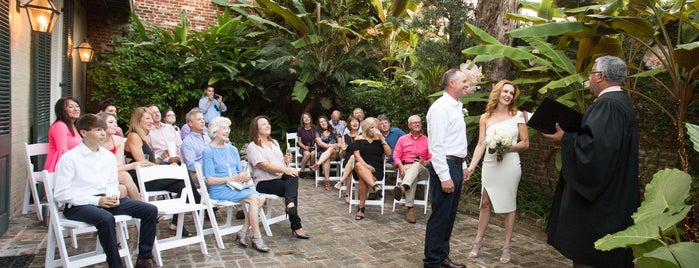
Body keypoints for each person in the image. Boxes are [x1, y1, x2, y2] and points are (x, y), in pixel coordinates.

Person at [542, 55, 638, 268]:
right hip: (614, 197)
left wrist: (564, 138)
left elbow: (595, 153)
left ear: (601, 76)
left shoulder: (608, 105)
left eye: (591, 73)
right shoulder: (620, 102)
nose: (589, 79)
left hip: (601, 209)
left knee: (592, 260)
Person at [54, 113, 160, 268]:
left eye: (104, 129)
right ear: (84, 132)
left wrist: (113, 195)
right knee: (105, 218)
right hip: (79, 205)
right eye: (98, 130)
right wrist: (97, 201)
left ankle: (144, 258)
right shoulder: (70, 158)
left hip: (105, 200)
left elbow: (111, 183)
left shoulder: (107, 157)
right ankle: (115, 264)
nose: (103, 133)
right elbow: (61, 194)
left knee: (149, 210)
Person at [465, 80, 529, 264]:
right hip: (490, 164)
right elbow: (480, 144)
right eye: (505, 91)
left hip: (510, 165)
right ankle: (478, 242)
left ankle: (507, 246)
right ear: (498, 93)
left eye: (511, 92)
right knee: (485, 203)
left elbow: (525, 143)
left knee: (509, 204)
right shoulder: (485, 117)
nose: (508, 95)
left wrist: (507, 148)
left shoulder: (519, 116)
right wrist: (471, 167)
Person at [423, 67, 480, 268]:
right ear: (452, 84)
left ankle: (442, 257)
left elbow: (456, 141)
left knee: (449, 215)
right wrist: (445, 176)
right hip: (444, 166)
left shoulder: (456, 107)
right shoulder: (440, 108)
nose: (467, 84)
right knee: (440, 216)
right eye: (464, 81)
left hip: (455, 165)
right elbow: (436, 145)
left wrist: (463, 165)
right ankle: (431, 262)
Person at [124, 107, 201, 237]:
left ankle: (176, 222)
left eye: (151, 118)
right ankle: (197, 201)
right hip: (140, 179)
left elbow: (151, 161)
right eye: (147, 118)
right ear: (138, 120)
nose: (151, 120)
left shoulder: (146, 137)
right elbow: (142, 162)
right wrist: (165, 168)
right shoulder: (134, 136)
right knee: (184, 175)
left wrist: (161, 158)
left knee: (185, 186)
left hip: (151, 175)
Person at [201, 117, 269, 252]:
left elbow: (240, 171)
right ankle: (256, 236)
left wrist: (245, 176)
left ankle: (243, 231)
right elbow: (210, 180)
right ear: (215, 131)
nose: (227, 131)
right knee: (255, 198)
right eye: (224, 128)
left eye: (228, 128)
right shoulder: (208, 151)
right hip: (220, 189)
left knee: (261, 198)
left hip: (236, 187)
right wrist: (230, 179)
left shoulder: (232, 149)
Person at [246, 115, 310, 239]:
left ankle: (290, 204)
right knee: (289, 188)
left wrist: (285, 161)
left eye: (268, 123)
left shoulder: (274, 142)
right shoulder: (252, 147)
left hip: (279, 176)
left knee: (293, 175)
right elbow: (264, 165)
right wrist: (285, 169)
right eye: (263, 124)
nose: (267, 125)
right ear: (256, 128)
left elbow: (279, 162)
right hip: (264, 182)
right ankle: (296, 225)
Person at [97, 112, 152, 200]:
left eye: (115, 122)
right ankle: (141, 206)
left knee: (123, 187)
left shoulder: (118, 140)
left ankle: (139, 207)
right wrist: (131, 166)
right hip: (97, 174)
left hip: (112, 174)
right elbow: (99, 168)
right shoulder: (95, 141)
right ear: (100, 124)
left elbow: (118, 166)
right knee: (125, 176)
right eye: (111, 122)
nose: (115, 125)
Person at [392, 115, 431, 224]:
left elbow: (432, 158)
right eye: (415, 122)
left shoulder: (427, 140)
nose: (417, 124)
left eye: (419, 122)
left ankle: (403, 188)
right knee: (411, 174)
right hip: (405, 168)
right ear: (409, 125)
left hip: (422, 169)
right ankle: (410, 209)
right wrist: (400, 166)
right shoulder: (402, 139)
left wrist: (425, 162)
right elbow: (396, 156)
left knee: (417, 166)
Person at [351, 117, 391, 220]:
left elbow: (389, 153)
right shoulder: (358, 139)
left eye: (376, 128)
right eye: (372, 127)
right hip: (361, 166)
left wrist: (382, 139)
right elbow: (357, 156)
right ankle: (375, 187)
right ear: (367, 128)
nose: (375, 130)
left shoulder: (379, 139)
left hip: (376, 170)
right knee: (359, 166)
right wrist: (366, 165)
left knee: (363, 180)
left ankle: (361, 209)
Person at [45, 97, 82, 172]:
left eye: (77, 106)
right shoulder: (59, 126)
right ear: (62, 111)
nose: (76, 109)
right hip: (60, 168)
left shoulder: (72, 126)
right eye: (71, 107)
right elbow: (62, 151)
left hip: (72, 165)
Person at [310, 116, 344, 191]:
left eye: (324, 121)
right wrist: (331, 145)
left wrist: (334, 146)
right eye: (321, 122)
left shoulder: (335, 130)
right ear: (319, 124)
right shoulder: (317, 132)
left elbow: (340, 143)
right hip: (323, 153)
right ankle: (327, 181)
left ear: (327, 122)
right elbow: (320, 143)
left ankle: (317, 164)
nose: (323, 123)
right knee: (326, 158)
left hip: (335, 152)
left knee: (331, 149)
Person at [335, 116, 361, 203]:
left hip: (360, 159)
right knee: (349, 165)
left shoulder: (362, 135)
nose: (354, 123)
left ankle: (341, 182)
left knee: (352, 163)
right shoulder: (345, 137)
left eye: (356, 121)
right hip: (348, 159)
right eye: (352, 121)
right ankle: (347, 194)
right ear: (349, 124)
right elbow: (341, 155)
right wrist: (342, 149)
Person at [181, 108, 210, 180]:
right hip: (200, 175)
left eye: (203, 119)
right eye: (199, 119)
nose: (202, 121)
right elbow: (191, 166)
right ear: (190, 123)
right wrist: (210, 166)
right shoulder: (188, 142)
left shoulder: (208, 137)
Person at [296, 112, 316, 177]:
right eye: (305, 117)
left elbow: (317, 138)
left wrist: (315, 144)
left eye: (308, 117)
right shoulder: (300, 129)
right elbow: (299, 142)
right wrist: (305, 147)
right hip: (303, 147)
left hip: (313, 147)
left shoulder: (314, 128)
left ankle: (312, 172)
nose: (307, 118)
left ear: (310, 118)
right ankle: (302, 171)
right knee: (307, 154)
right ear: (302, 120)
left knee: (313, 154)